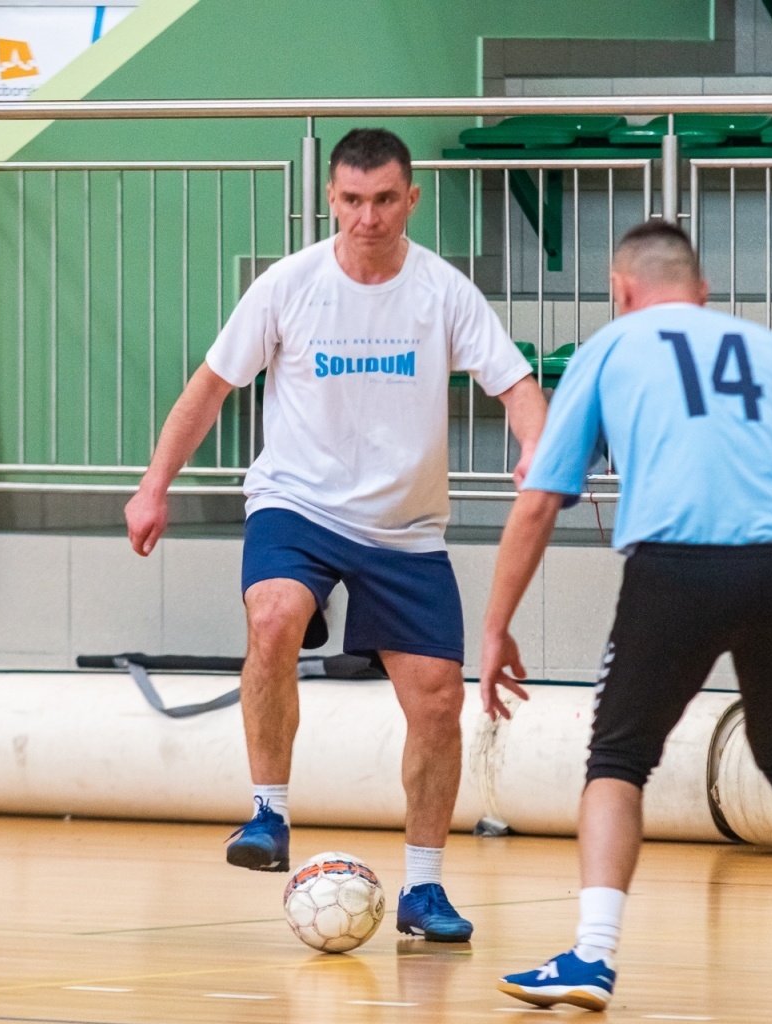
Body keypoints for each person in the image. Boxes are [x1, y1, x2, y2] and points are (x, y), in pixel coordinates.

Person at [124, 128, 546, 941]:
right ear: (331, 200)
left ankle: (424, 893)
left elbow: (517, 384)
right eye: (352, 200)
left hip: (405, 527)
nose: (368, 217)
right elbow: (209, 388)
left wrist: (538, 448)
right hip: (299, 504)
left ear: (411, 199)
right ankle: (267, 815)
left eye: (385, 200)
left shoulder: (444, 292)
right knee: (275, 614)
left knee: (435, 706)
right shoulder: (290, 287)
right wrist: (154, 485)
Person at [480, 220, 772, 1009]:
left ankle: (592, 958)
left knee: (618, 759)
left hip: (676, 566)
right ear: (703, 292)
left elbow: (538, 500)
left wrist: (497, 623)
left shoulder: (610, 348)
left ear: (622, 289)